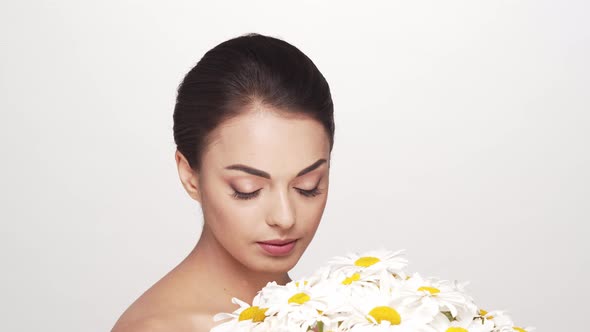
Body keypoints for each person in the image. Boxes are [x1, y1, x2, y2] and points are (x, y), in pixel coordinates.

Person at [111, 32, 335, 332]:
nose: (285, 217)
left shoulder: (334, 310)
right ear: (190, 175)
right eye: (248, 190)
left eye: (308, 186)